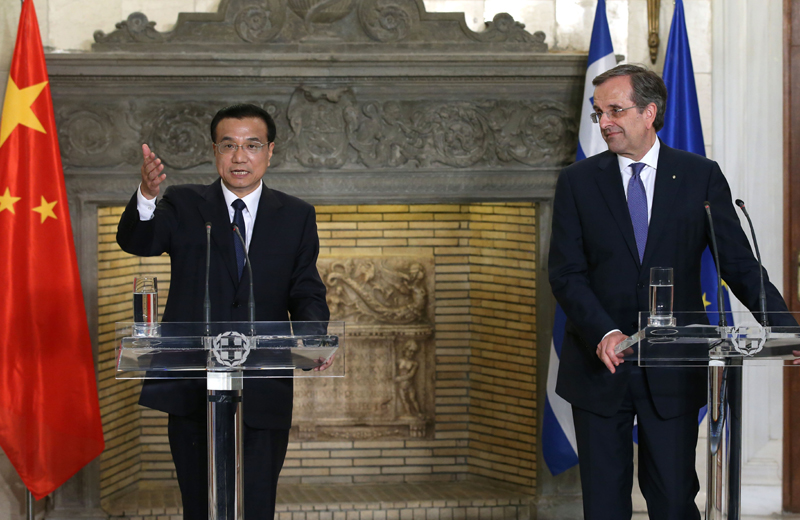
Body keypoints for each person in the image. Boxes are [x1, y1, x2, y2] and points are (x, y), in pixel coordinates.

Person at [548, 64, 794, 520]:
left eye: (615, 110)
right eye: (598, 113)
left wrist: (785, 328)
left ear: (649, 112)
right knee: (604, 507)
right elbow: (566, 273)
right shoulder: (577, 181)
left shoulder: (699, 176)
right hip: (600, 365)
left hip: (673, 367)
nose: (604, 122)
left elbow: (737, 263)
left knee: (674, 502)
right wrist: (604, 332)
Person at [117, 104, 330, 520]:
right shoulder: (184, 203)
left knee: (256, 506)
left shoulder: (296, 215)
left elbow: (305, 288)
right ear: (214, 150)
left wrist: (313, 335)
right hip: (195, 389)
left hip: (263, 390)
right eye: (229, 145)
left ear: (270, 151)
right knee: (200, 506)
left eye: (252, 145)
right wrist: (146, 195)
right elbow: (139, 241)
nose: (239, 156)